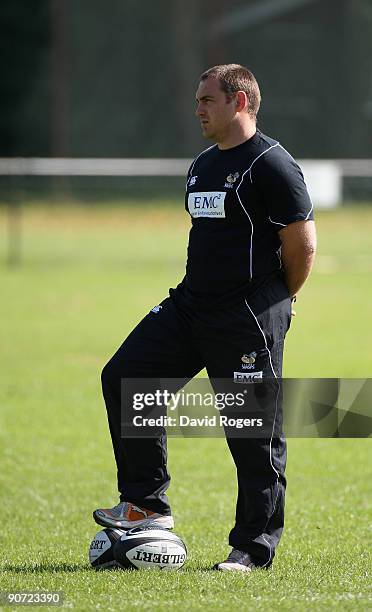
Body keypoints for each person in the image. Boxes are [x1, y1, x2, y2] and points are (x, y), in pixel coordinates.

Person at [93, 64, 316, 572]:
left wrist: (278, 301)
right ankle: (146, 506)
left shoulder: (272, 165)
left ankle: (253, 548)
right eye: (197, 100)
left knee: (251, 430)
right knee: (126, 376)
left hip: (246, 316)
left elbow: (302, 246)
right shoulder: (202, 165)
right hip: (191, 305)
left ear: (240, 102)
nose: (197, 109)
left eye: (206, 100)